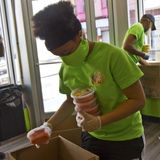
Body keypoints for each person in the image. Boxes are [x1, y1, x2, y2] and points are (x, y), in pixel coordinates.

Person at [27, 1, 146, 160]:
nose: (66, 59)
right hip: (91, 136)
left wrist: (100, 121)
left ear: (80, 34)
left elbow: (138, 100)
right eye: (59, 55)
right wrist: (48, 125)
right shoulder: (65, 69)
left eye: (68, 51)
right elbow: (70, 101)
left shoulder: (113, 56)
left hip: (124, 138)